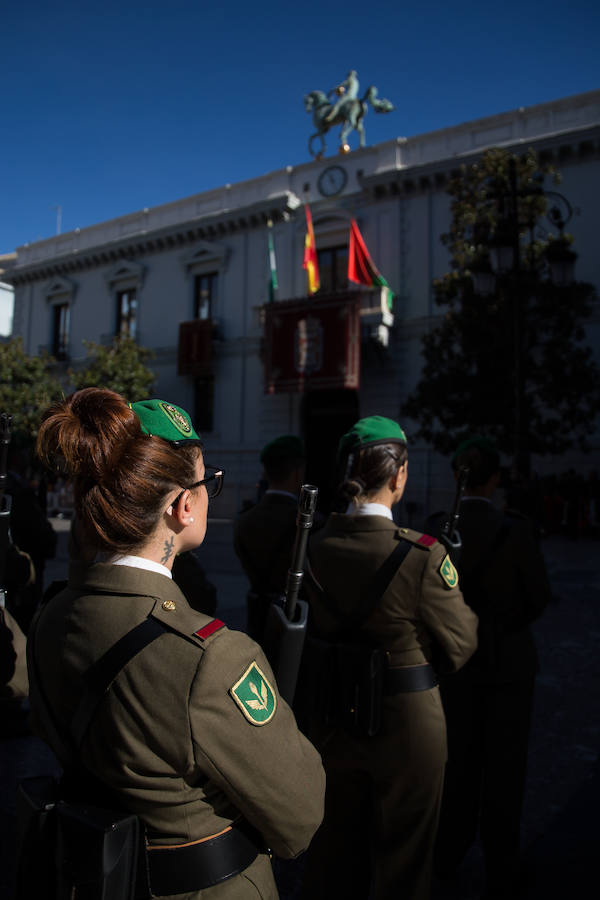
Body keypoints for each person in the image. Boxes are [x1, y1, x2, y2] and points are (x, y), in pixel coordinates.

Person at [28, 388, 325, 900]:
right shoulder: (210, 658)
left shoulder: (50, 616)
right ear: (184, 505)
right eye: (210, 481)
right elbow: (301, 812)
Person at [301, 416, 478, 900]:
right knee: (405, 864)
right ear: (398, 475)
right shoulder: (422, 554)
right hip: (408, 723)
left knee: (335, 857)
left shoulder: (312, 548)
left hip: (334, 714)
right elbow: (461, 645)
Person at [427, 436, 552, 900]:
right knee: (505, 769)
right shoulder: (515, 529)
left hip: (454, 667)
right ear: (495, 480)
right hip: (506, 666)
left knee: (457, 764)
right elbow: (537, 597)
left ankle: (448, 853)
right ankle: (503, 864)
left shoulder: (438, 529)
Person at [233, 435, 307, 643]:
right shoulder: (309, 524)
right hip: (295, 621)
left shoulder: (244, 520)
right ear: (298, 473)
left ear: (265, 472)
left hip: (257, 618)